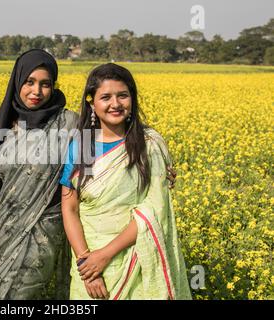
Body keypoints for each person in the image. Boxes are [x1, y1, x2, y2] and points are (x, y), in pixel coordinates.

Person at [60, 63, 191, 300]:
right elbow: (69, 208)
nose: (115, 104)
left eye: (123, 95)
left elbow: (154, 210)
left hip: (137, 259)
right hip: (88, 267)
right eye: (106, 97)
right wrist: (86, 263)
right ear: (92, 103)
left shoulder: (149, 144)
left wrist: (105, 255)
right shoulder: (82, 146)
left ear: (132, 98)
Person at [0, 49, 79, 299]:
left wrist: (155, 162)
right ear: (17, 82)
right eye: (29, 82)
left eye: (45, 84)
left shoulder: (70, 123)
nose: (37, 91)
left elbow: (113, 142)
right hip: (1, 240)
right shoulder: (3, 129)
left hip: (46, 239)